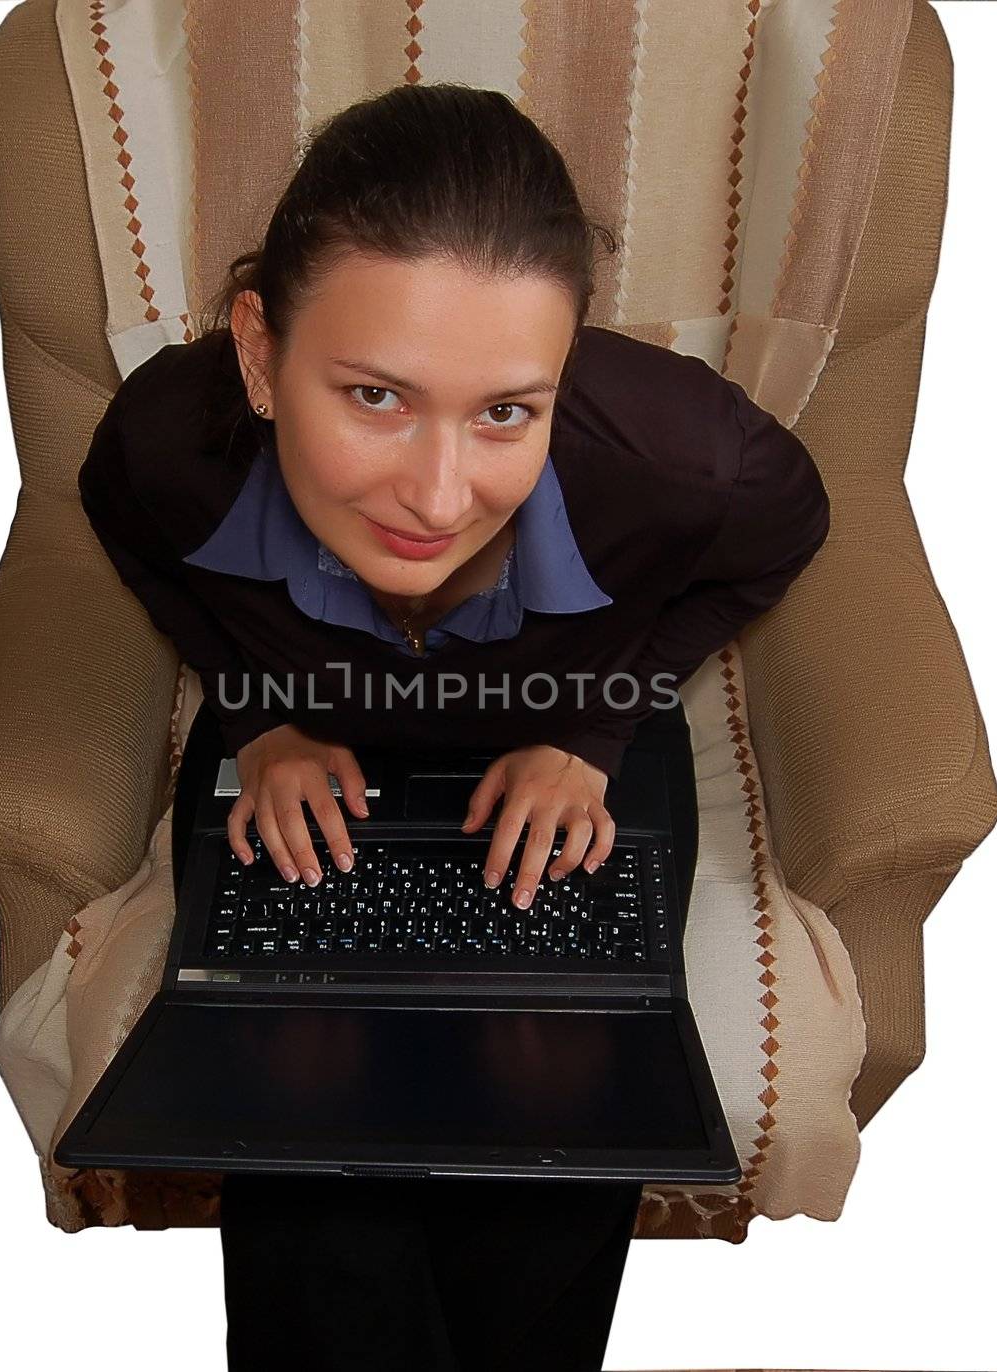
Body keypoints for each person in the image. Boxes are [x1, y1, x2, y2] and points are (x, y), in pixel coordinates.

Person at [77, 81, 830, 1372]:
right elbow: (133, 530)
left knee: (554, 1142)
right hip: (309, 753)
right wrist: (257, 715)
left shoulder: (686, 459)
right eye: (374, 396)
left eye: (506, 412)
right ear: (259, 354)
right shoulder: (166, 444)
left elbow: (789, 526)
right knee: (306, 1169)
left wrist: (593, 728)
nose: (437, 496)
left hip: (553, 753)